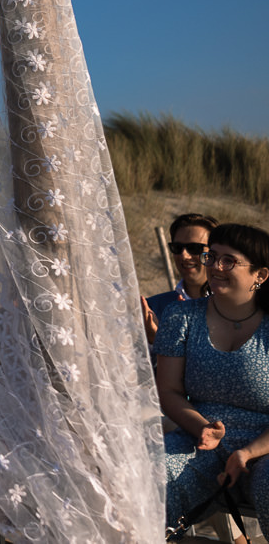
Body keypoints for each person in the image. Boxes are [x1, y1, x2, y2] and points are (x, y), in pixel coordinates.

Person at [155, 222, 269, 526]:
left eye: (228, 260)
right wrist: (204, 429)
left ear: (260, 275)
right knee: (150, 477)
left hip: (264, 447)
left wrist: (246, 452)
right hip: (199, 437)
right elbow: (169, 391)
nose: (215, 267)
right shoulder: (180, 317)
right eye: (212, 256)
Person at [146, 213, 216, 344]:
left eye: (194, 248)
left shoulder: (235, 308)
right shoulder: (152, 309)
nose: (184, 255)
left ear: (215, 253)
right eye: (177, 248)